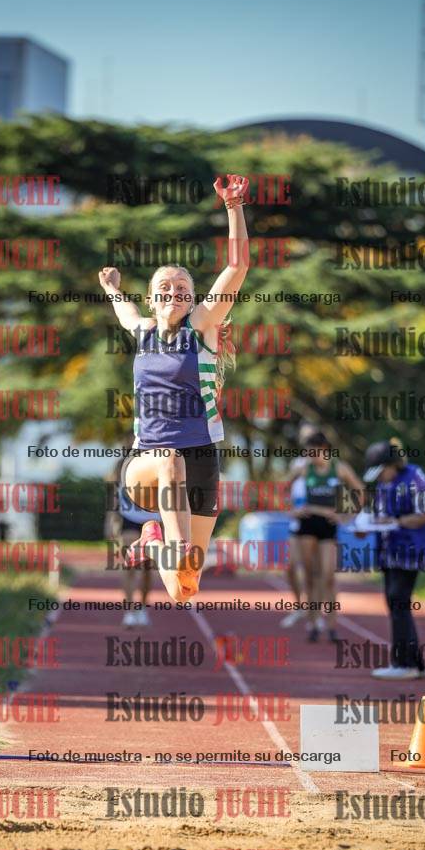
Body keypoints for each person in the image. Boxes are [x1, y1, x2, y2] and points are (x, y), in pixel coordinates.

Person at [99, 174, 250, 602]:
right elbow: (124, 311)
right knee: (169, 459)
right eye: (164, 287)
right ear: (152, 298)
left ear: (194, 299)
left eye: (182, 287)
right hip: (147, 464)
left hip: (201, 460)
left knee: (185, 588)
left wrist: (234, 206)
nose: (173, 292)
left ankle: (156, 542)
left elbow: (237, 268)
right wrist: (111, 289)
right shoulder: (143, 330)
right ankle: (175, 544)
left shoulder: (201, 328)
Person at [361, 438, 425, 679]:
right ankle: (413, 662)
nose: (379, 477)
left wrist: (396, 521)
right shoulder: (384, 484)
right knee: (395, 602)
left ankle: (404, 664)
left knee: (398, 600)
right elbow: (381, 515)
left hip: (410, 550)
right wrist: (365, 526)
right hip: (388, 552)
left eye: (381, 471)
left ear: (392, 465)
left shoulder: (414, 477)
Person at [282, 431, 364, 642]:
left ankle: (332, 625)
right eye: (308, 453)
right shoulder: (303, 468)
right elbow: (282, 488)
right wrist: (291, 510)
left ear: (324, 450)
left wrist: (346, 515)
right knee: (310, 576)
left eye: (314, 452)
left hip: (328, 525)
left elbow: (359, 490)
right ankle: (313, 622)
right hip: (307, 524)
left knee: (328, 576)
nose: (310, 457)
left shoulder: (340, 468)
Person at [104, 455, 157, 628]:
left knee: (148, 569)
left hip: (153, 520)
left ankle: (142, 607)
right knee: (130, 566)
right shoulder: (123, 466)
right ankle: (129, 611)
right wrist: (110, 523)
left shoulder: (157, 462)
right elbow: (114, 498)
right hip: (129, 521)